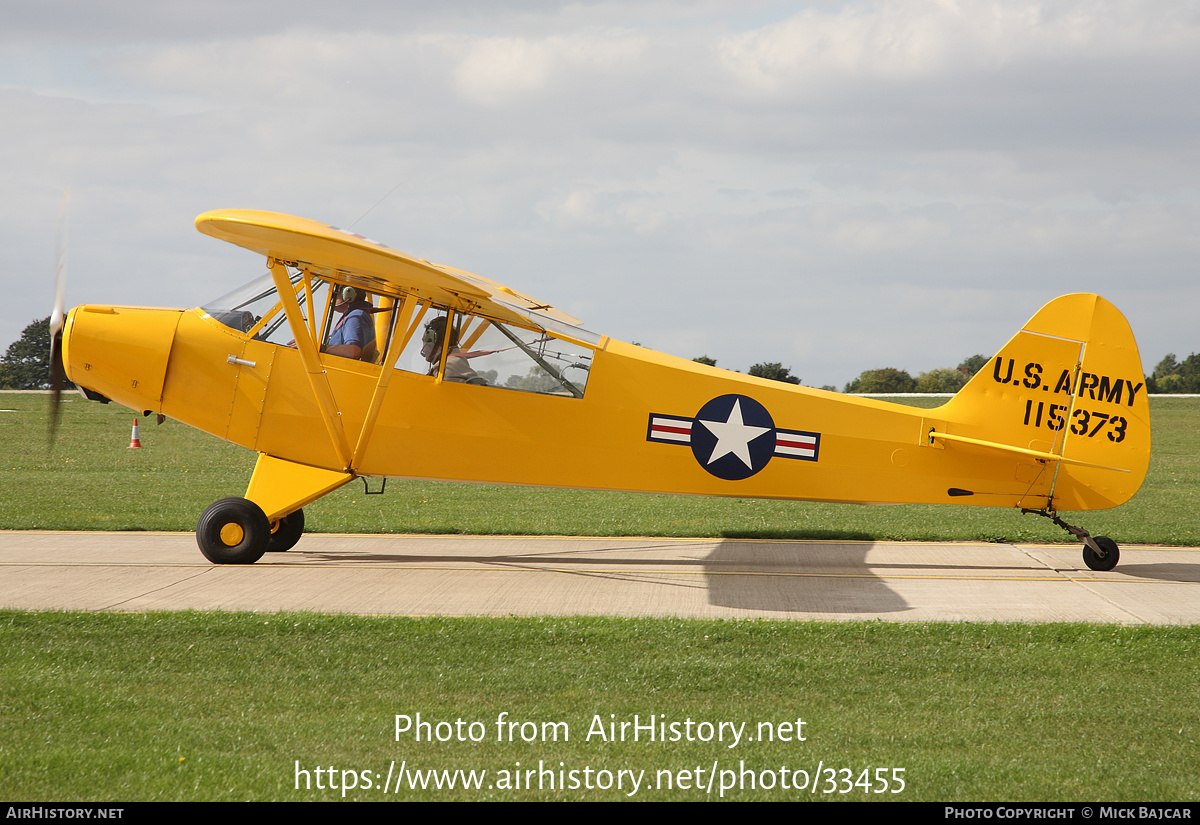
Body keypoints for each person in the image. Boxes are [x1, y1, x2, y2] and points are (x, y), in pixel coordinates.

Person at [421, 316, 481, 383]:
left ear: (432, 342)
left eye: (424, 341)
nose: (423, 347)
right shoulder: (458, 361)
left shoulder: (443, 369)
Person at [323, 286, 376, 361]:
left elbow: (354, 351)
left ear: (348, 294)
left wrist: (323, 349)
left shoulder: (355, 317)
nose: (331, 300)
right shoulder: (354, 315)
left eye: (334, 294)